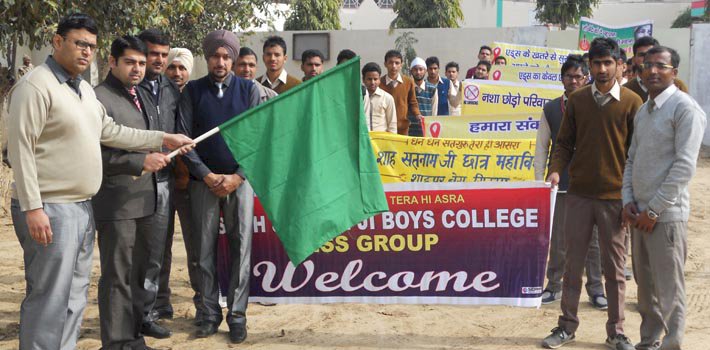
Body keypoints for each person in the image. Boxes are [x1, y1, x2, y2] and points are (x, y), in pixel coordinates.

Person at [6, 13, 192, 350]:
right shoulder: (36, 86)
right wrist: (33, 207)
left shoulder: (83, 91)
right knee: (49, 297)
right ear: (58, 42)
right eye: (79, 44)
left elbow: (111, 131)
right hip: (49, 207)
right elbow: (20, 151)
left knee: (75, 295)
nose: (85, 52)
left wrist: (163, 137)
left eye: (90, 46)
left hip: (81, 207)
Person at [542, 38, 642, 350]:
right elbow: (564, 143)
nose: (601, 69)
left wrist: (631, 196)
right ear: (590, 66)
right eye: (596, 63)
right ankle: (566, 327)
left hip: (615, 199)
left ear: (620, 66)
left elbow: (636, 153)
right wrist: (555, 169)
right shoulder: (579, 100)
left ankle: (616, 332)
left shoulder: (632, 102)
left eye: (607, 63)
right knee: (573, 266)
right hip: (579, 195)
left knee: (614, 271)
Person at [177, 29, 260, 343]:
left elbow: (257, 139)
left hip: (240, 182)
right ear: (207, 57)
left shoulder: (248, 90)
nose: (220, 62)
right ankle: (209, 314)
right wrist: (208, 175)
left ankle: (237, 316)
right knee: (203, 251)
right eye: (215, 56)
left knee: (241, 249)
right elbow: (185, 141)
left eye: (227, 56)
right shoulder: (193, 91)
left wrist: (238, 176)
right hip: (204, 184)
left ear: (234, 59)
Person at [93, 35, 174, 348]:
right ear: (112, 62)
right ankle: (115, 342)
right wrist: (140, 161)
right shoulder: (99, 98)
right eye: (130, 62)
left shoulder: (140, 95)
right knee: (117, 277)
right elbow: (95, 155)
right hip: (116, 204)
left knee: (138, 274)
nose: (137, 68)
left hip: (145, 201)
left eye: (141, 63)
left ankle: (133, 337)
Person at [622, 46, 706, 350]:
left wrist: (654, 210)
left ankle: (671, 344)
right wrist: (627, 200)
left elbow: (684, 166)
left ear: (674, 72)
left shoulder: (686, 109)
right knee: (646, 291)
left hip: (665, 217)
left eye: (661, 66)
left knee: (669, 290)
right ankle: (649, 342)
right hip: (638, 215)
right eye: (647, 66)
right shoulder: (644, 111)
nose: (653, 71)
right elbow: (631, 160)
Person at [534, 54, 606, 309]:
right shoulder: (551, 108)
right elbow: (542, 147)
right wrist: (538, 182)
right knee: (559, 242)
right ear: (561, 78)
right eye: (569, 76)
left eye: (578, 76)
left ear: (586, 77)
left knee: (594, 243)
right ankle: (553, 286)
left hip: (592, 185)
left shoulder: (598, 105)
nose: (574, 80)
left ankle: (596, 290)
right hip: (560, 185)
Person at [135, 29, 182, 330]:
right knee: (138, 249)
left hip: (164, 179)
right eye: (155, 54)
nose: (160, 60)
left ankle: (156, 305)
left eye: (164, 55)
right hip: (134, 178)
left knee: (161, 247)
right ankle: (139, 310)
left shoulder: (170, 88)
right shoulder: (129, 86)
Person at [625, 36, 688, 101]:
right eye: (642, 55)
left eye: (650, 54)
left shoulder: (678, 85)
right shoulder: (626, 90)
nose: (646, 59)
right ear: (633, 60)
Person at [379, 49, 421, 135]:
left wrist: (418, 115)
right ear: (385, 64)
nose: (394, 66)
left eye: (397, 63)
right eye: (390, 62)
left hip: (402, 128)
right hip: (383, 128)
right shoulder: (379, 83)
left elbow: (413, 103)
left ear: (401, 65)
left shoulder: (408, 82)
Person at [362, 62, 396, 133]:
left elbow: (392, 125)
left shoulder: (387, 98)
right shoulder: (360, 97)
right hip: (363, 139)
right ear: (363, 80)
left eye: (375, 79)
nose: (372, 82)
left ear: (379, 80)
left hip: (381, 141)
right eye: (369, 79)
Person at [408, 57, 437, 136]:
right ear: (411, 71)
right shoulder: (407, 87)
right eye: (415, 69)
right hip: (409, 130)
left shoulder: (432, 88)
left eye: (421, 69)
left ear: (425, 71)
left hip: (426, 130)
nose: (418, 72)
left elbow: (434, 111)